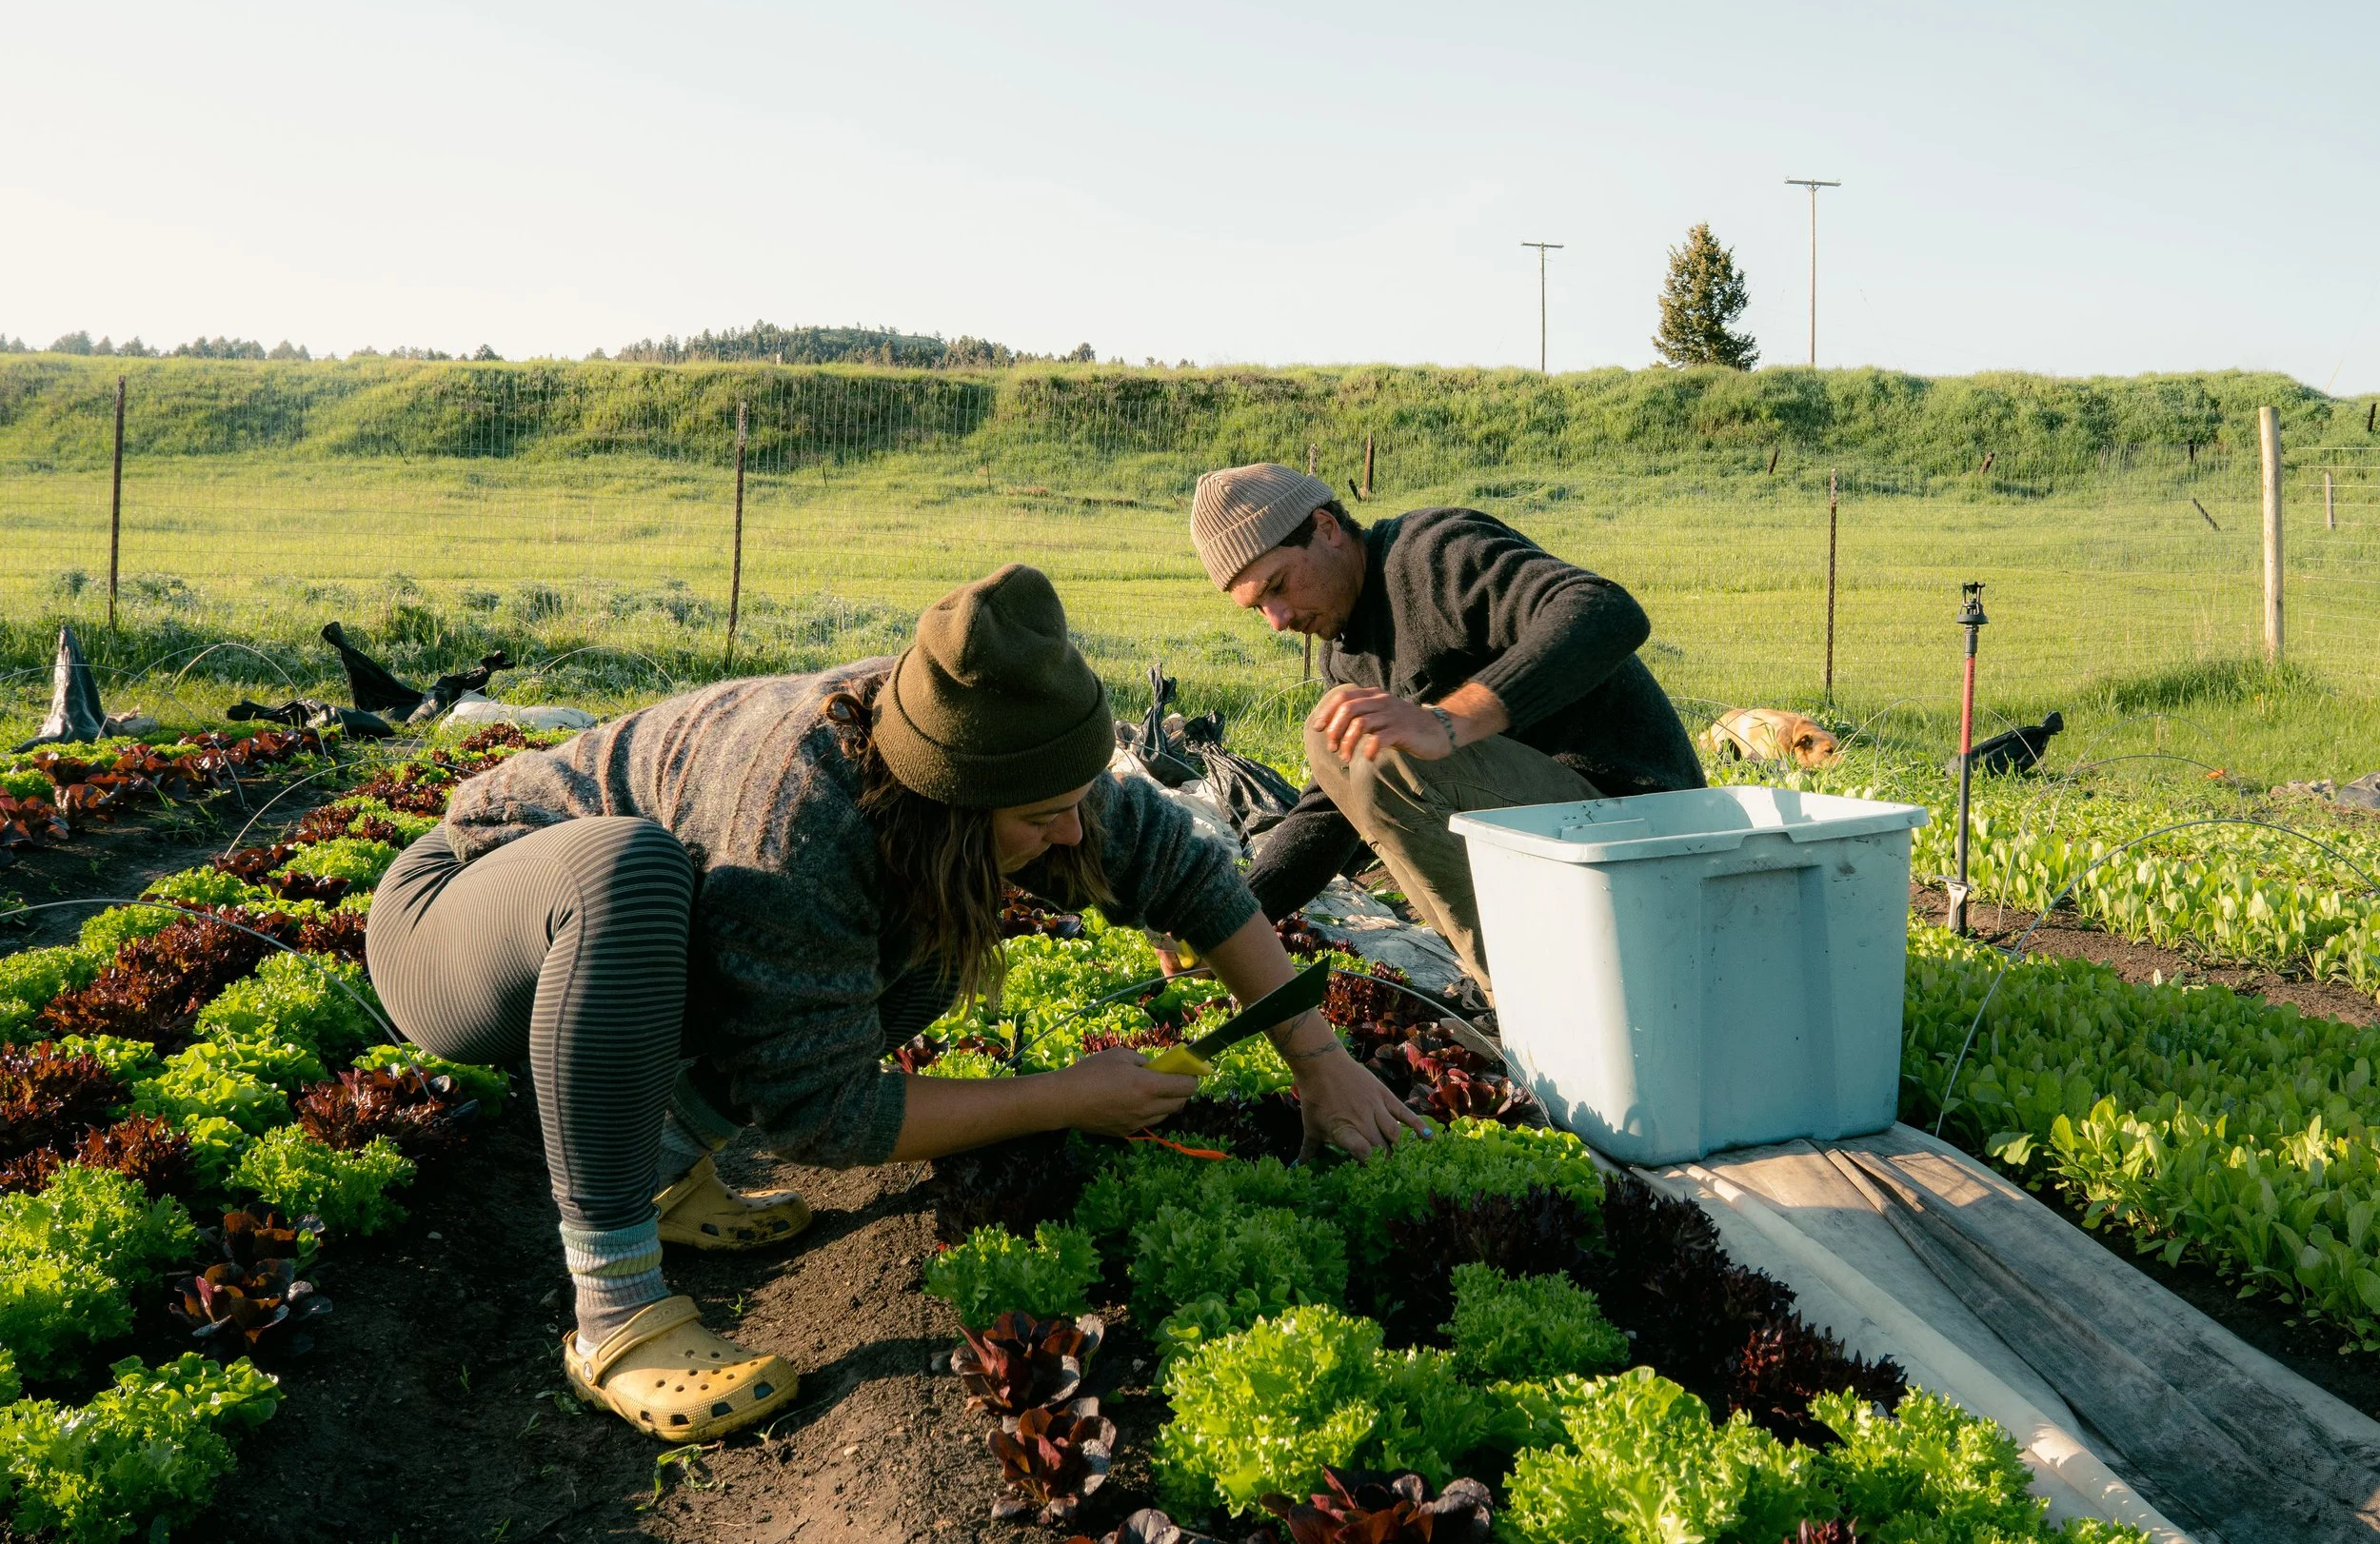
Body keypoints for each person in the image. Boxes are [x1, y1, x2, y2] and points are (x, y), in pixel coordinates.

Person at [364, 564, 1421, 1444]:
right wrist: (1066, 1096)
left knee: (925, 944)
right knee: (628, 873)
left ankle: (667, 1165)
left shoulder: (993, 740)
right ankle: (616, 1309)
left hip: (621, 951)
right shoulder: (803, 808)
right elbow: (824, 1114)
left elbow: (1193, 877)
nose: (1070, 836)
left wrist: (1316, 1057)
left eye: (1076, 806)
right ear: (955, 797)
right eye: (1046, 817)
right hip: (465, 925)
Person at [1189, 464, 1704, 996]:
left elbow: (1606, 611)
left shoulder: (1435, 554)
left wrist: (1448, 721)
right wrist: (1234, 918)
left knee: (1378, 751)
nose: (1276, 619)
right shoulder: (1346, 654)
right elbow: (1331, 810)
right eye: (1258, 608)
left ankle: (1540, 999)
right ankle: (1529, 989)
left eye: (1277, 586)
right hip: (1564, 836)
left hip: (1644, 823)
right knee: (1331, 738)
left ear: (1326, 528)